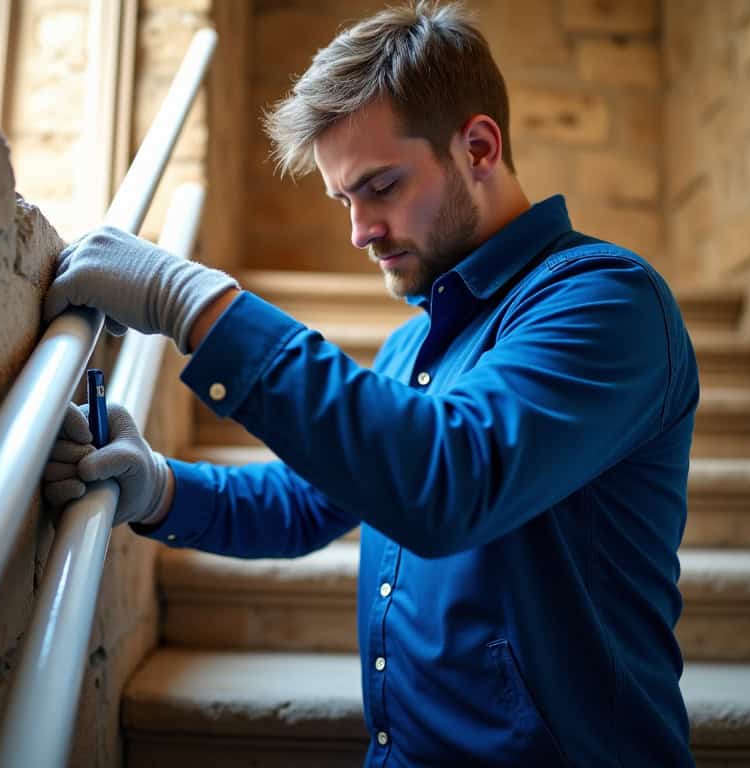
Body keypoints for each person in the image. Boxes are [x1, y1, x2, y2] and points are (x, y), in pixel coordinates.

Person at [40, 2, 698, 765]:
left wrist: (191, 302)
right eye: (344, 199)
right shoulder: (412, 342)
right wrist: (156, 488)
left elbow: (448, 481)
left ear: (478, 148)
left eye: (380, 187)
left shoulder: (606, 301)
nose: (360, 231)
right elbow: (303, 503)